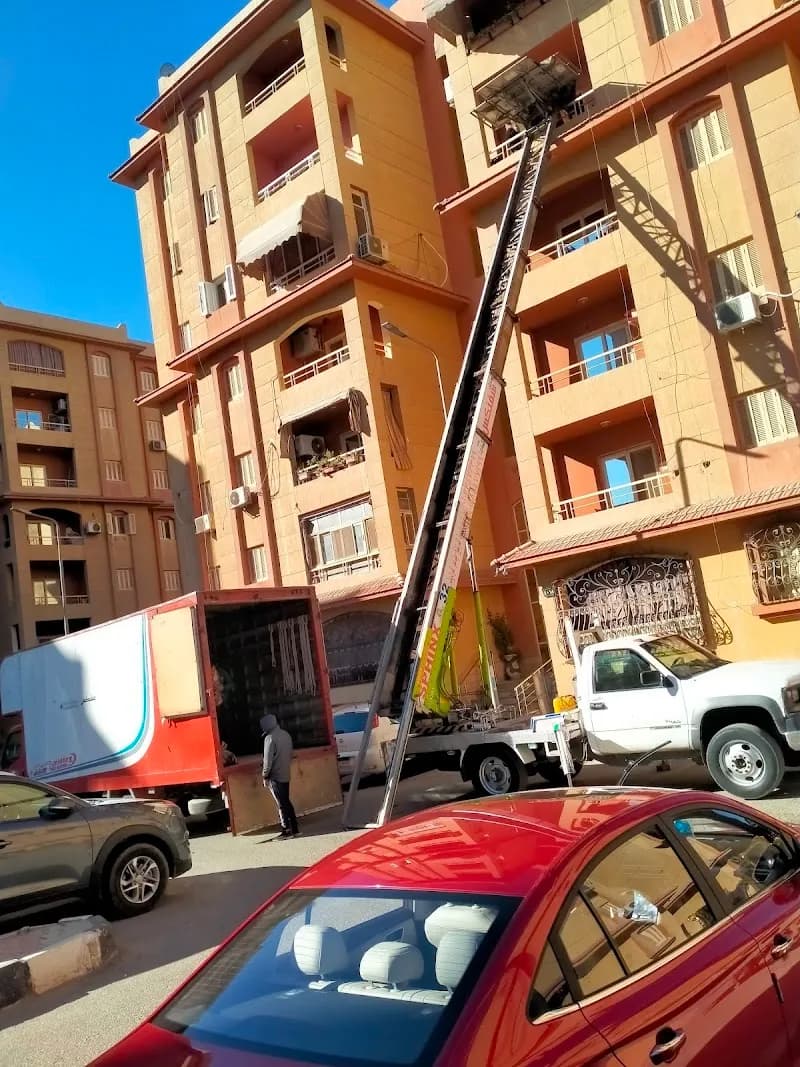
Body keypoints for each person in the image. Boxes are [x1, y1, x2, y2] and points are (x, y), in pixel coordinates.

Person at [261, 713, 299, 839]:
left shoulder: (269, 738)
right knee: (286, 801)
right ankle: (295, 828)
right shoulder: (286, 734)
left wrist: (265, 775)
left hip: (275, 776)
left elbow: (267, 761)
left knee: (281, 803)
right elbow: (290, 754)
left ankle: (286, 830)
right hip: (285, 773)